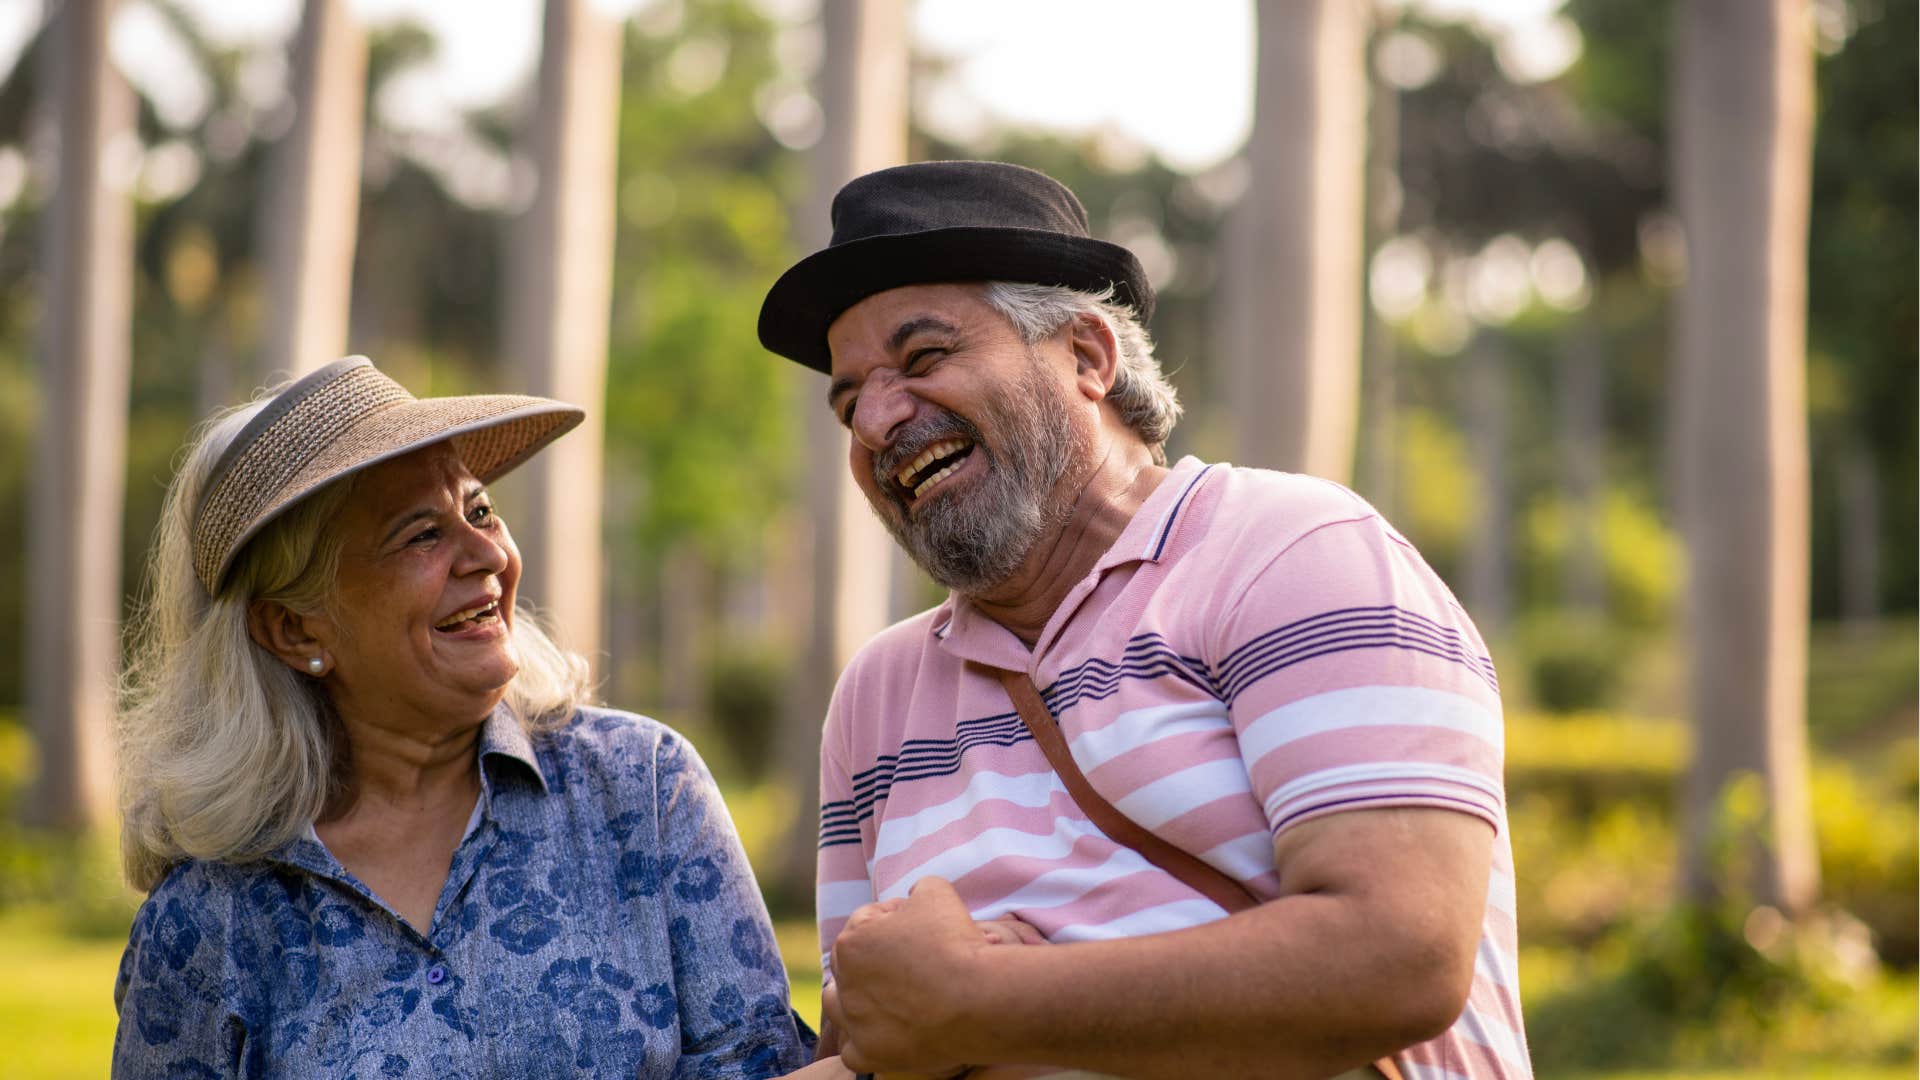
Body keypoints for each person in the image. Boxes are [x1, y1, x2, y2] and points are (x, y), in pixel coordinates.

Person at [756, 161, 1533, 1079]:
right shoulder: (878, 695)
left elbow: (1399, 957)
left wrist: (982, 1003)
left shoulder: (1290, 551)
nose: (878, 420)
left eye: (925, 358)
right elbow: (878, 1032)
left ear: (1087, 356)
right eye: (850, 400)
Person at [112, 357, 844, 1079]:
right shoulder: (206, 923)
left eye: (480, 510)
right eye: (421, 535)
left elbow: (757, 1065)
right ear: (296, 631)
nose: (488, 553)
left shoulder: (644, 790)